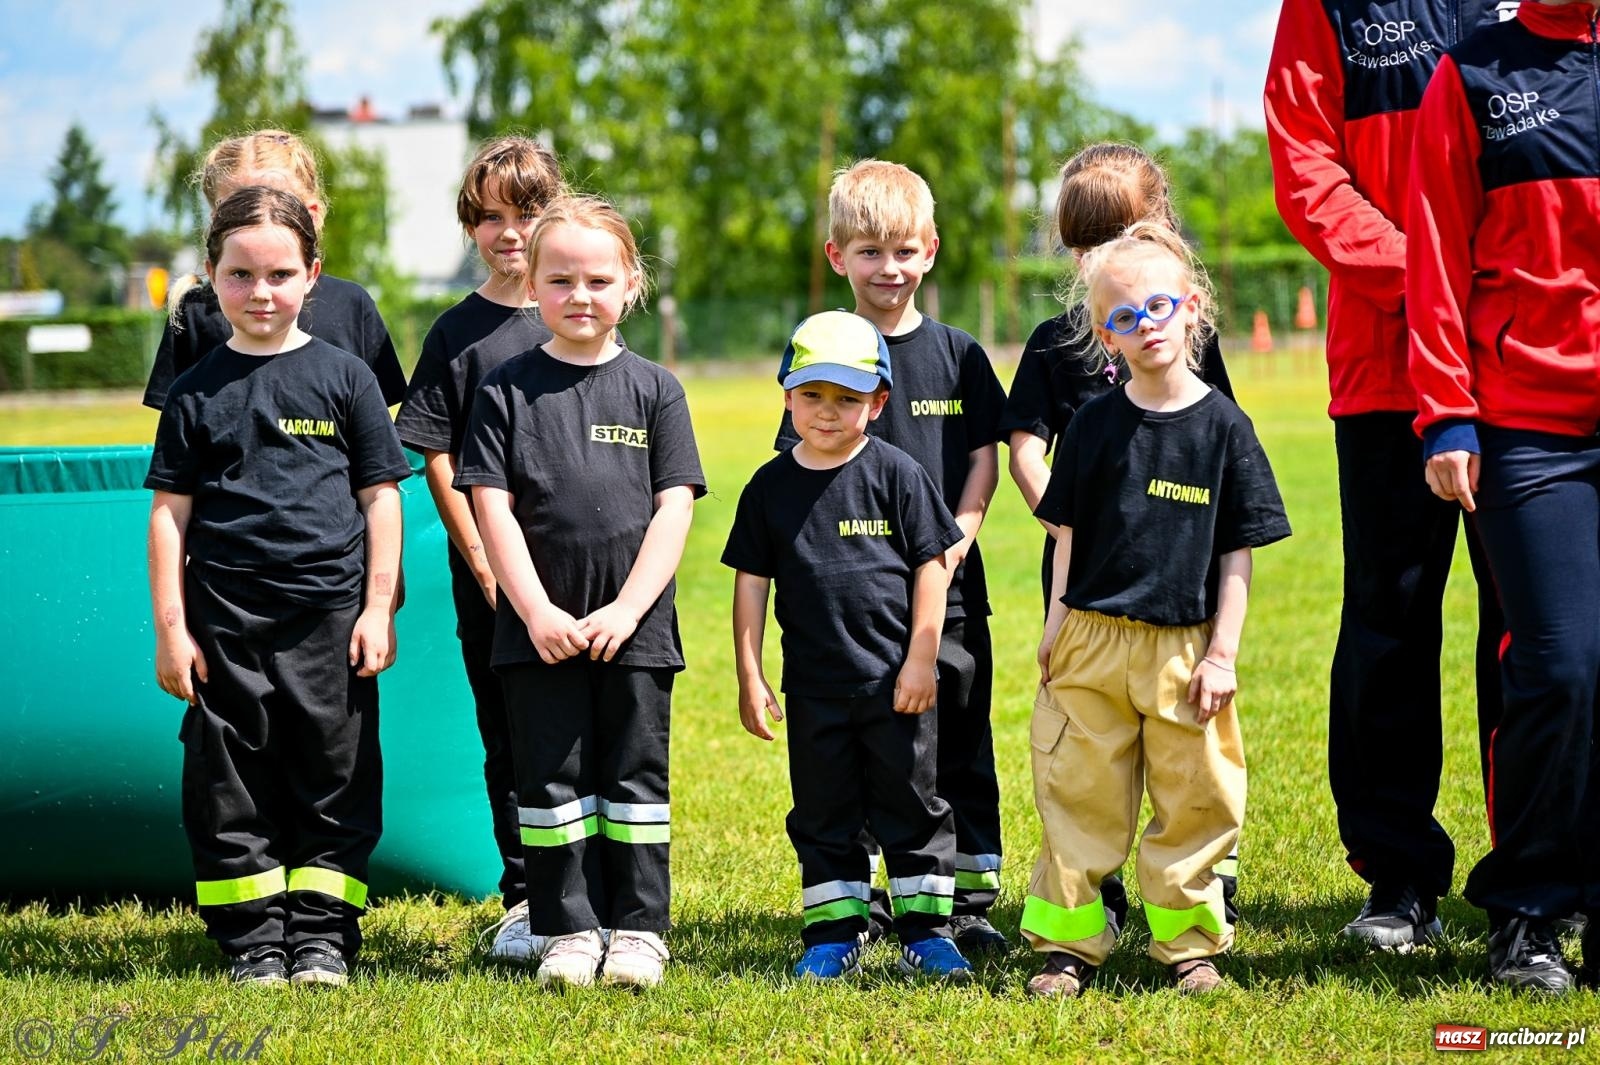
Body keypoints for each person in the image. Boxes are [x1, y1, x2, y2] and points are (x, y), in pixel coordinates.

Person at [1265, 0, 1512, 950]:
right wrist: (1429, 277)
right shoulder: (1327, 7)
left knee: (1535, 630)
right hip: (1386, 365)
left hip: (1521, 359)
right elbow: (1306, 167)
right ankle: (1397, 872)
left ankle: (1534, 869)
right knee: (1388, 619)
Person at [145, 186, 411, 987]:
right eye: (239, 275)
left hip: (331, 622)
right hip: (223, 624)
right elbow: (169, 515)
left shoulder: (346, 378)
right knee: (228, 786)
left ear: (312, 276)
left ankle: (324, 935)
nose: (260, 293)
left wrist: (375, 607)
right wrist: (171, 629)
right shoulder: (195, 390)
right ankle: (254, 940)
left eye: (280, 274)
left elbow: (382, 499)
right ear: (210, 277)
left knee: (336, 775)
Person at [1020, 223, 1290, 998]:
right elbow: (1066, 530)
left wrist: (1223, 653)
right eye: (1124, 318)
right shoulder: (1095, 425)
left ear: (1192, 308)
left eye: (1159, 307)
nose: (1146, 327)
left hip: (1186, 649)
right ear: (1105, 334)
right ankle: (1068, 945)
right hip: (1094, 640)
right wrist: (1055, 622)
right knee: (1077, 790)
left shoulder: (1225, 429)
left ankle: (1188, 945)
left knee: (1196, 797)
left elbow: (1239, 550)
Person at [457, 195, 705, 990]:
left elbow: (675, 504)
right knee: (551, 781)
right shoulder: (503, 391)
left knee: (634, 779)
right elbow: (488, 505)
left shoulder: (656, 390)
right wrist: (534, 611)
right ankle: (565, 926)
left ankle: (637, 929)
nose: (580, 295)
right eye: (560, 279)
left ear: (630, 284)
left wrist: (629, 609)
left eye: (599, 278)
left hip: (635, 629)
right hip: (539, 633)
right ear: (531, 287)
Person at [1407, 0, 1600, 994]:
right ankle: (1525, 912)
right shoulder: (1473, 72)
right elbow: (1434, 248)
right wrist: (1445, 411)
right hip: (1527, 424)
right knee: (1561, 666)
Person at [1000, 142, 1240, 932]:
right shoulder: (1055, 341)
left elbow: (1223, 450)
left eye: (1118, 232)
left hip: (1179, 589)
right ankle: (1088, 893)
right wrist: (1067, 517)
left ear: (1159, 225)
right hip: (1084, 582)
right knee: (1086, 746)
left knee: (1187, 746)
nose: (1101, 255)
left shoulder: (1187, 336)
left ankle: (1201, 887)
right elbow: (1027, 448)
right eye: (1084, 241)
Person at [774, 160, 1009, 953]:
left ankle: (967, 901)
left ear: (932, 250)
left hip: (953, 596)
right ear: (838, 256)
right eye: (870, 251)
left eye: (905, 250)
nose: (890, 268)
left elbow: (984, 456)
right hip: (860, 612)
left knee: (960, 744)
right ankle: (865, 902)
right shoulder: (821, 353)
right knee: (877, 753)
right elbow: (797, 476)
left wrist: (958, 536)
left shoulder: (960, 354)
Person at [726, 310, 973, 982]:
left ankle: (928, 930)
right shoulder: (768, 487)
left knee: (912, 807)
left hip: (897, 684)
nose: (828, 413)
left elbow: (932, 563)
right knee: (824, 812)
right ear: (786, 395)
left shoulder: (897, 472)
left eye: (847, 399)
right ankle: (834, 932)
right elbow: (752, 586)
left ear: (879, 402)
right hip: (814, 690)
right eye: (812, 395)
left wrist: (922, 658)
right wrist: (750, 673)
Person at [394, 136, 565, 964]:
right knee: (510, 734)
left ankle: (597, 885)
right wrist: (482, 558)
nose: (511, 232)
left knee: (590, 732)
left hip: (583, 575)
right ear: (471, 228)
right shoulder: (458, 333)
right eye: (491, 216)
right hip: (493, 584)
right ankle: (528, 895)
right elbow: (433, 450)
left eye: (527, 212)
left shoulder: (579, 314)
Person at [143, 129, 407, 412]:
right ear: (216, 219)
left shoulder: (352, 304)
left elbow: (376, 429)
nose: (258, 218)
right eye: (238, 207)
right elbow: (177, 432)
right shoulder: (194, 312)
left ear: (312, 214)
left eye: (278, 204)